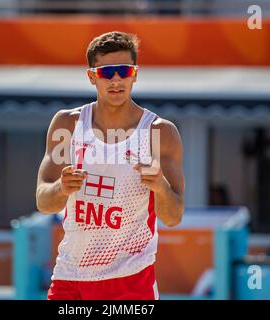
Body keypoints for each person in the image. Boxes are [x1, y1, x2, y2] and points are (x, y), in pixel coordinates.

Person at [36, 31, 185, 300]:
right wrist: (61, 187)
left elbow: (173, 217)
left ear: (135, 74)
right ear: (92, 76)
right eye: (107, 72)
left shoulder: (159, 132)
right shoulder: (67, 125)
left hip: (130, 279)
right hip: (71, 275)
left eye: (124, 70)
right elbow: (44, 202)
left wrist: (160, 187)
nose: (116, 80)